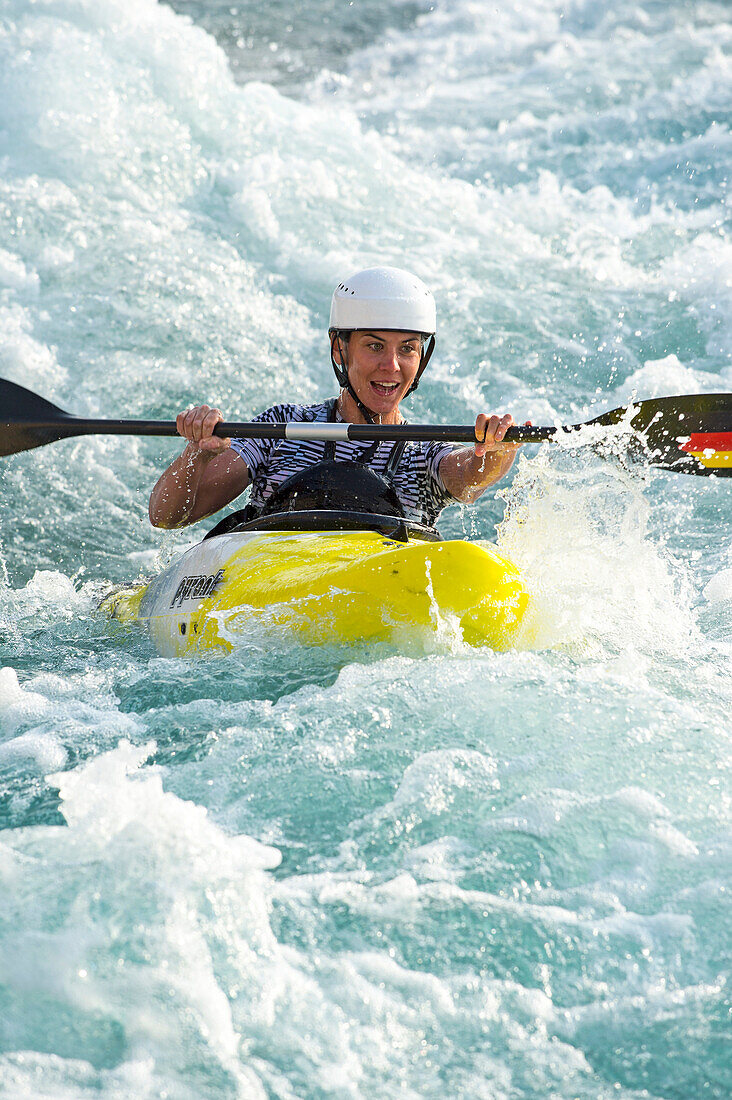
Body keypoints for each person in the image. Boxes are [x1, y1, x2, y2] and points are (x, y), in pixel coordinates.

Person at [149, 267, 524, 531]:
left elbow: (468, 475)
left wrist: (495, 451)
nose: (391, 366)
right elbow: (167, 517)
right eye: (374, 346)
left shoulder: (423, 451)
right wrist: (197, 454)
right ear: (339, 350)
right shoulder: (282, 427)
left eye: (407, 349)